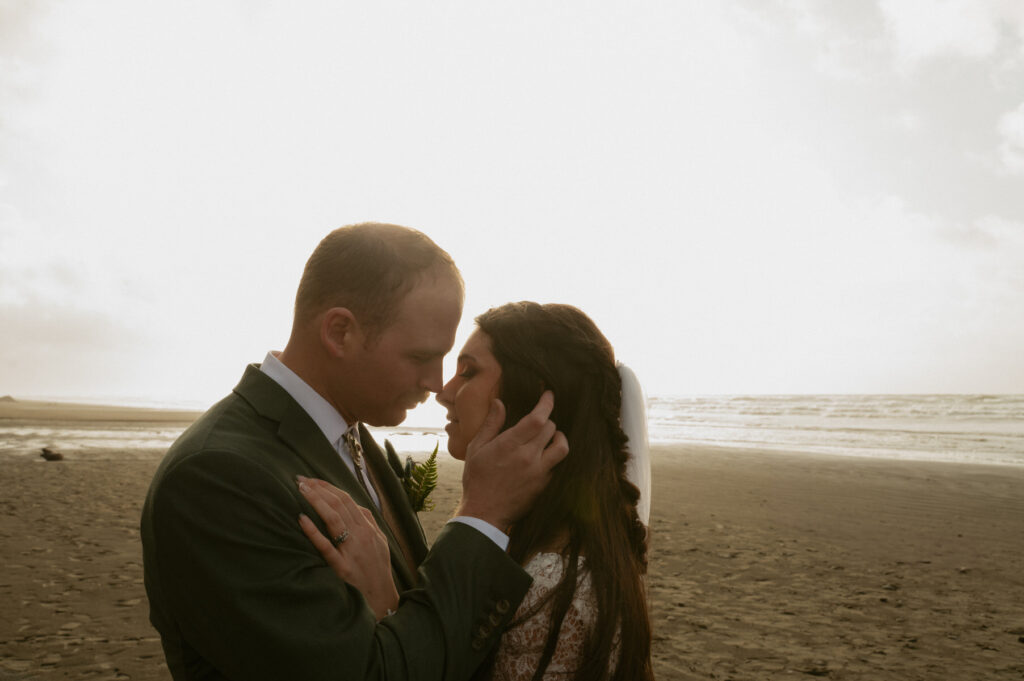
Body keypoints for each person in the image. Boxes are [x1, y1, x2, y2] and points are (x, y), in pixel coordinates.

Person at [140, 223, 569, 681]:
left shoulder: (351, 434)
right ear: (340, 332)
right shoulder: (216, 479)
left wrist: (388, 603)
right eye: (420, 357)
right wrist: (482, 515)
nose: (436, 382)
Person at [302, 302, 654, 681]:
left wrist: (387, 608)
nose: (444, 390)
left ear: (536, 399)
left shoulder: (550, 589)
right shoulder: (544, 538)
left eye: (468, 372)